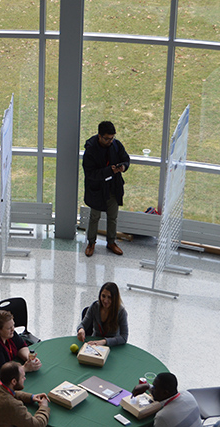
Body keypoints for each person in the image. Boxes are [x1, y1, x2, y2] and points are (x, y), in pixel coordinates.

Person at [82, 120, 130, 257]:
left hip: (113, 188)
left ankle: (111, 242)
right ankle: (91, 243)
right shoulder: (91, 150)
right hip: (97, 190)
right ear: (99, 136)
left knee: (113, 217)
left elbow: (126, 159)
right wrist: (110, 171)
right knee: (94, 217)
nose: (110, 141)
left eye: (112, 138)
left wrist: (123, 167)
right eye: (107, 138)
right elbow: (90, 174)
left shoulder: (116, 145)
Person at [0, 361, 50, 427]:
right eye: (23, 377)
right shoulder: (12, 405)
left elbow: (7, 392)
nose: (25, 379)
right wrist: (43, 407)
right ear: (14, 381)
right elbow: (37, 424)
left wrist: (31, 397)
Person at [131, 372, 202, 427]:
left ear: (165, 392)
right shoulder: (187, 395)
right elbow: (162, 397)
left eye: (155, 387)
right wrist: (147, 386)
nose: (152, 389)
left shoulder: (162, 416)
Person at [76, 282, 128, 346]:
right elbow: (82, 325)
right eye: (103, 296)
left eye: (109, 297)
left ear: (114, 299)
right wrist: (81, 330)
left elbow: (124, 337)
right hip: (94, 344)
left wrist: (104, 342)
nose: (105, 301)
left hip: (112, 345)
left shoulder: (121, 312)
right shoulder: (95, 307)